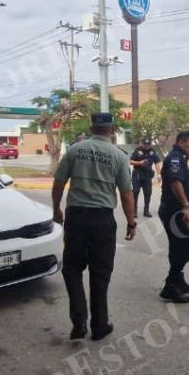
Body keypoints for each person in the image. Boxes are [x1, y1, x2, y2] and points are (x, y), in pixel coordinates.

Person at [51, 113, 137, 341]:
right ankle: (99, 325)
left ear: (91, 128)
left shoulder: (75, 150)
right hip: (102, 220)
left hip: (76, 218)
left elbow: (58, 183)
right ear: (113, 129)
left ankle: (79, 322)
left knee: (72, 269)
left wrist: (56, 209)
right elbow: (127, 194)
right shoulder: (118, 156)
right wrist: (131, 221)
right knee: (100, 273)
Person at [158, 130, 189, 303]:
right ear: (181, 142)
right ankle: (171, 286)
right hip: (175, 210)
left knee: (183, 245)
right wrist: (185, 206)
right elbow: (175, 182)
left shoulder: (180, 157)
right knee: (182, 247)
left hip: (176, 210)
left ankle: (178, 279)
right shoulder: (175, 158)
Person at [129, 138, 160, 218]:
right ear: (141, 143)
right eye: (144, 144)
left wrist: (159, 174)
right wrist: (139, 163)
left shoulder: (152, 152)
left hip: (147, 175)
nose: (146, 146)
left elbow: (157, 163)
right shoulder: (137, 151)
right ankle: (134, 211)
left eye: (148, 144)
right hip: (137, 174)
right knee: (135, 192)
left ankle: (146, 211)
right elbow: (130, 161)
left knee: (148, 193)